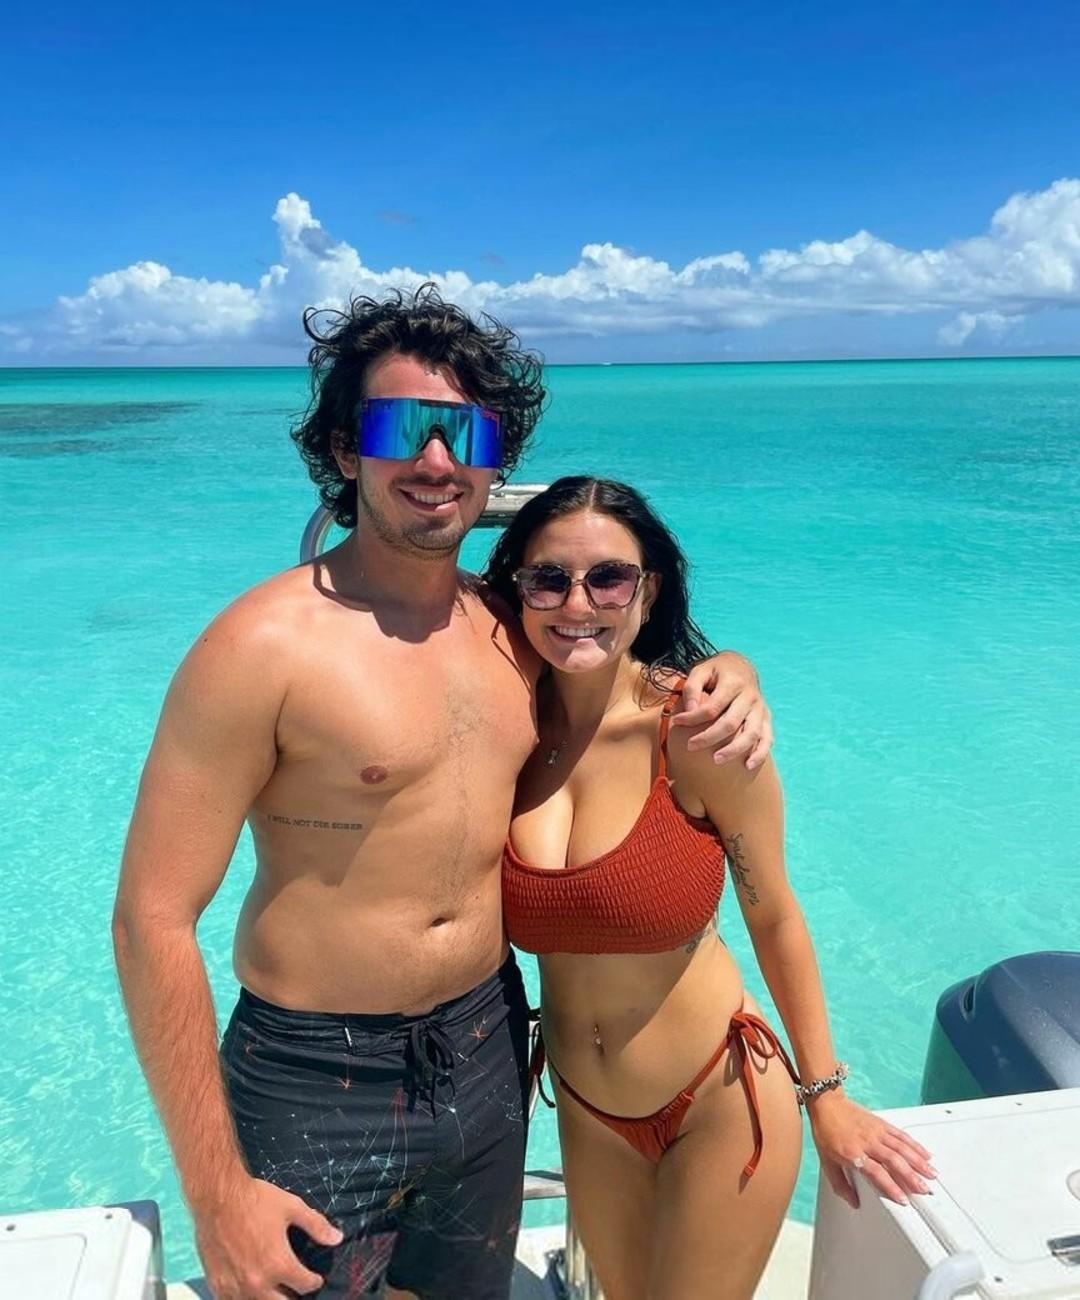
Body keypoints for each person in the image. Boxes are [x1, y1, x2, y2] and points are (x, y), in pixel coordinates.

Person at [112, 287, 774, 1300]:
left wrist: (734, 670)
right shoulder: (260, 648)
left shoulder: (515, 627)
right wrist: (213, 1190)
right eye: (399, 427)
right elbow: (151, 918)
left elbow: (622, 661)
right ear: (345, 449)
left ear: (493, 460)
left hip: (487, 1046)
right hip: (315, 1075)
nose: (434, 459)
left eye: (464, 432)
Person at [485, 476, 937, 1300]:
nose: (577, 603)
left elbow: (775, 915)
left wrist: (826, 1096)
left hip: (719, 1103)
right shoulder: (503, 734)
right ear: (517, 589)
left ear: (648, 589)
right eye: (548, 579)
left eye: (609, 578)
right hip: (587, 1112)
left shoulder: (698, 733)